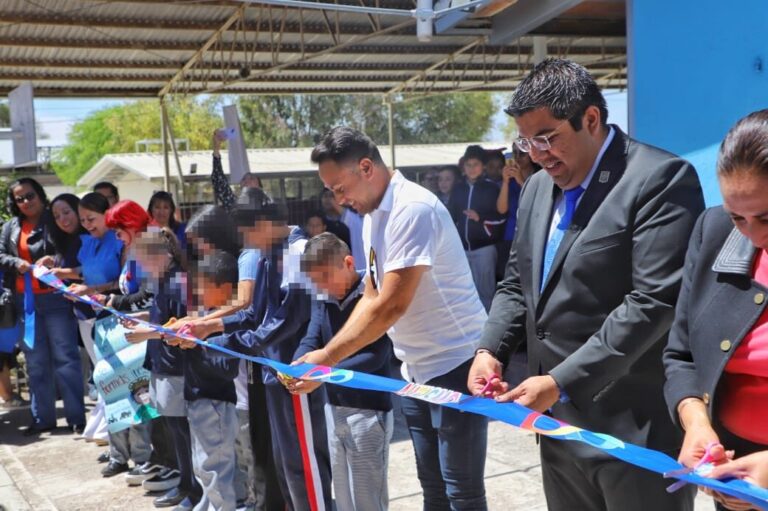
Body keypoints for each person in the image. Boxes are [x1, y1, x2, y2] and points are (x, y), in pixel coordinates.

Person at [467, 58, 705, 511]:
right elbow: (518, 283)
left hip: (632, 433)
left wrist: (559, 381)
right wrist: (489, 350)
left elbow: (652, 302)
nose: (536, 153)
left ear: (591, 119)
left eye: (547, 137)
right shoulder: (537, 188)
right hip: (556, 429)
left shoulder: (658, 180)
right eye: (526, 140)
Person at [298, 126, 489, 510]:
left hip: (457, 363)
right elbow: (370, 296)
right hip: (416, 369)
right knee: (432, 488)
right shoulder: (371, 217)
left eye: (339, 187)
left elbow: (391, 306)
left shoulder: (411, 208)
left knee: (461, 492)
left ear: (366, 167)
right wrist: (323, 353)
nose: (338, 199)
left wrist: (328, 358)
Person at [170, 189, 331, 511]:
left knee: (305, 465)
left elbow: (284, 322)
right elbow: (253, 314)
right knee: (287, 467)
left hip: (296, 372)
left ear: (265, 223)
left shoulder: (298, 251)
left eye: (247, 232)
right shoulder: (272, 254)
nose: (246, 241)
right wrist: (208, 327)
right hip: (275, 372)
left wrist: (218, 341)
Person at [663, 109, 768, 511]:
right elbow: (681, 354)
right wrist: (696, 423)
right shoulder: (713, 234)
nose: (754, 235)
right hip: (735, 481)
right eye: (737, 217)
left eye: (766, 217)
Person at [290, 232, 394, 511]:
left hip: (369, 413)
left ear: (348, 263)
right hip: (334, 408)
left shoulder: (372, 296)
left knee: (368, 497)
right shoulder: (324, 298)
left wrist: (321, 372)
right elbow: (312, 338)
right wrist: (297, 365)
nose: (321, 286)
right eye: (315, 281)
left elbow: (374, 356)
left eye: (325, 276)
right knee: (344, 496)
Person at [0, 178, 85, 435]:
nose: (26, 202)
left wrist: (53, 261)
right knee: (35, 361)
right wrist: (17, 263)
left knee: (66, 358)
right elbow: (1, 255)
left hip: (56, 299)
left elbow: (71, 247)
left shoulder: (55, 219)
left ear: (40, 195)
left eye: (30, 195)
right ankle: (42, 419)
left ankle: (76, 418)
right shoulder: (10, 227)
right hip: (24, 302)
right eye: (20, 198)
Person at [448, 144, 505, 311]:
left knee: (486, 293)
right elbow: (450, 217)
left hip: (485, 250)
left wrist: (480, 218)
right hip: (462, 250)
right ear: (463, 166)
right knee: (465, 292)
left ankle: (487, 332)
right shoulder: (458, 189)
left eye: (476, 164)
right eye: (468, 165)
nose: (472, 169)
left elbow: (501, 219)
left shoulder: (492, 188)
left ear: (484, 167)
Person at [495, 147, 539, 280]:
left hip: (533, 234)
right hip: (511, 235)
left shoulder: (540, 176)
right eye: (515, 154)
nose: (518, 158)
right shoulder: (510, 179)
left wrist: (521, 180)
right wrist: (505, 182)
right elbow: (501, 209)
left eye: (523, 154)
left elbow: (537, 202)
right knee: (509, 278)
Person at [320, 189, 363, 271]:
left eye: (331, 196)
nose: (328, 200)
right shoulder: (320, 221)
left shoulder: (353, 218)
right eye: (325, 196)